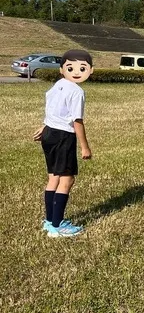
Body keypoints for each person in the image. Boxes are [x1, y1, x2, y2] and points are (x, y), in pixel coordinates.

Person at [33, 49, 94, 237]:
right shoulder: (77, 91)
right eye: (71, 67)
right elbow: (77, 121)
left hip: (49, 133)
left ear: (90, 70)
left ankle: (50, 221)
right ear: (62, 69)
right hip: (63, 137)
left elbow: (52, 109)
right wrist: (85, 146)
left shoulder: (56, 85)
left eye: (82, 68)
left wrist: (45, 127)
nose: (77, 72)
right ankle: (57, 227)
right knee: (67, 179)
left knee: (53, 177)